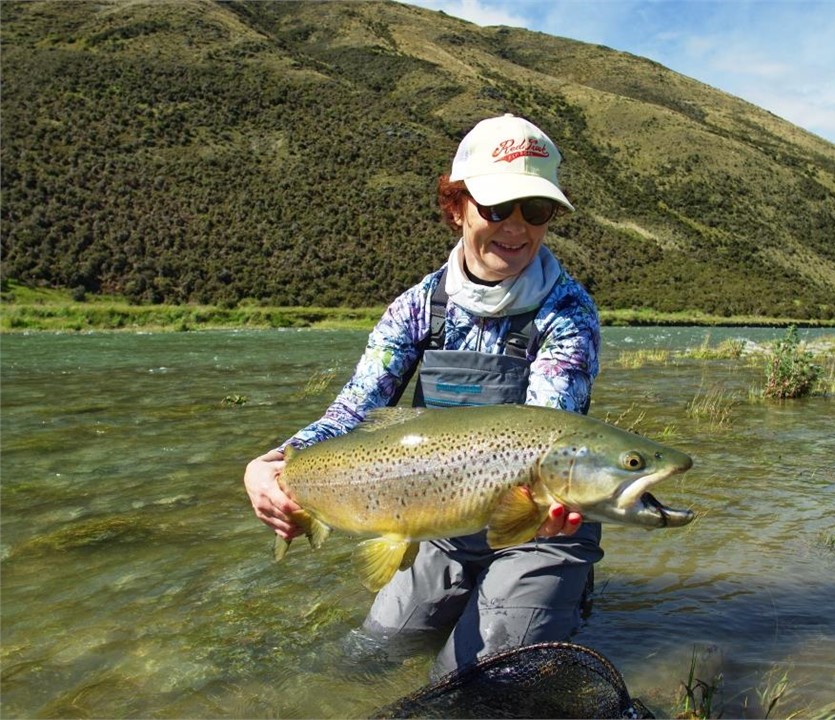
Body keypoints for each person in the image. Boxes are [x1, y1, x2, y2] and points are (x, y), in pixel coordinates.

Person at [243, 113, 603, 678]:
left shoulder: (570, 312)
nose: (516, 227)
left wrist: (548, 506)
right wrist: (273, 466)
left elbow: (550, 432)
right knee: (371, 657)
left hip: (539, 529)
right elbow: (355, 410)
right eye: (495, 207)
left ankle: (558, 591)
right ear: (457, 206)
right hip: (437, 521)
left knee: (471, 683)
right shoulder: (416, 307)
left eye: (535, 210)